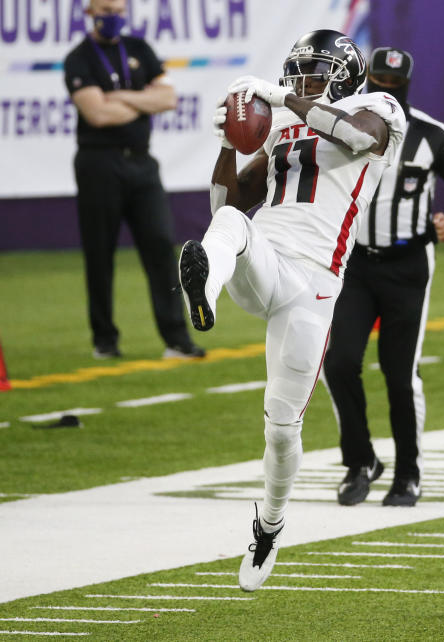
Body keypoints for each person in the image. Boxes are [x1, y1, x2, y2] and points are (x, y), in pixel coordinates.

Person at [176, 30, 406, 592]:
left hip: (315, 284)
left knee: (281, 428)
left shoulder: (377, 107)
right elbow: (226, 205)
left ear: (347, 73)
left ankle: (268, 527)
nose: (303, 80)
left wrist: (281, 101)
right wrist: (229, 144)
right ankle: (202, 290)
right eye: (297, 71)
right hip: (264, 260)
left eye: (316, 70)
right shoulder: (281, 124)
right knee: (229, 227)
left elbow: (353, 135)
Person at [322, 47, 444, 508]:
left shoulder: (432, 135)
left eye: (393, 84)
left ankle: (408, 473)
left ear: (407, 85)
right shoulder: (337, 127)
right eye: (377, 82)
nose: (384, 91)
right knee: (337, 363)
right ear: (364, 79)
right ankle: (360, 461)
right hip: (352, 264)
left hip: (408, 265)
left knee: (399, 373)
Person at [64, 0, 204, 360]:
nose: (112, 17)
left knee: (160, 245)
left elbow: (168, 98)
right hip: (98, 164)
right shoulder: (79, 58)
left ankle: (177, 338)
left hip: (142, 163)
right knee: (100, 253)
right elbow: (97, 114)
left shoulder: (139, 48)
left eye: (118, 10)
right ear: (90, 12)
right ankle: (105, 340)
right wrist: (144, 100)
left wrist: (120, 97)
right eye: (105, 9)